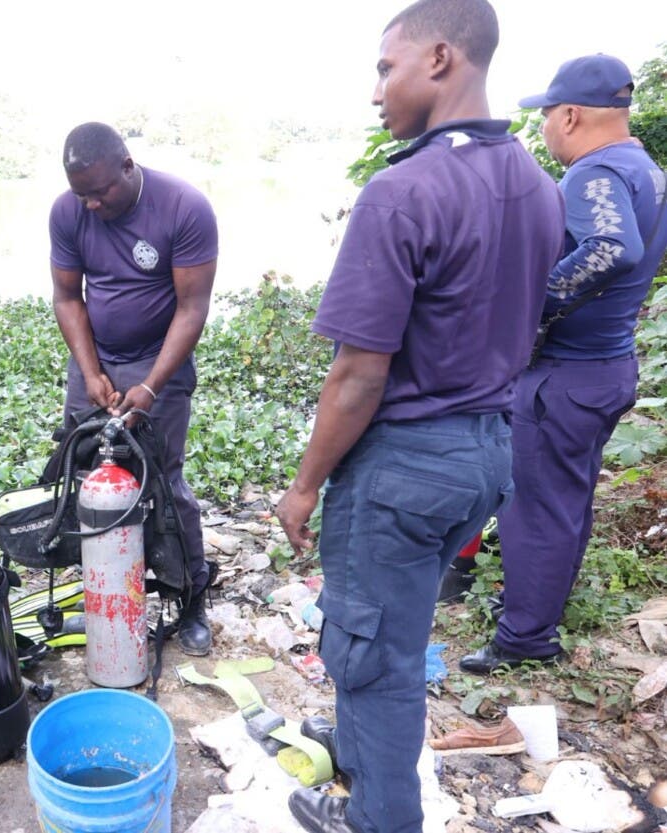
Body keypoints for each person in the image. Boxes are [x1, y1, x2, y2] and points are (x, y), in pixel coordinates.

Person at [273, 1, 565, 830]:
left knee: (377, 656)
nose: (375, 92)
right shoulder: (540, 187)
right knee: (389, 628)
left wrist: (302, 489)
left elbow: (359, 377)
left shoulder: (403, 191)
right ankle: (363, 751)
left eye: (384, 67)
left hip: (405, 463)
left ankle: (377, 816)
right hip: (486, 454)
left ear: (440, 59)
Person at [461, 55, 667, 675]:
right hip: (607, 366)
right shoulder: (648, 171)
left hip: (566, 376)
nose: (544, 128)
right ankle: (538, 603)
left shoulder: (594, 172)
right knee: (566, 501)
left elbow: (613, 247)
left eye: (546, 115)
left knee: (533, 507)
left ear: (571, 114)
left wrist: (532, 306)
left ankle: (525, 638)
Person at [49, 121, 218, 655]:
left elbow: (192, 308)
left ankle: (188, 598)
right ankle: (105, 589)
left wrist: (150, 385)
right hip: (95, 361)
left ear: (128, 165)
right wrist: (91, 369)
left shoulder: (184, 207)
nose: (92, 205)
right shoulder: (67, 210)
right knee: (86, 472)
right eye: (82, 195)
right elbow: (67, 297)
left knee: (164, 483)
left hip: (158, 361)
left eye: (101, 192)